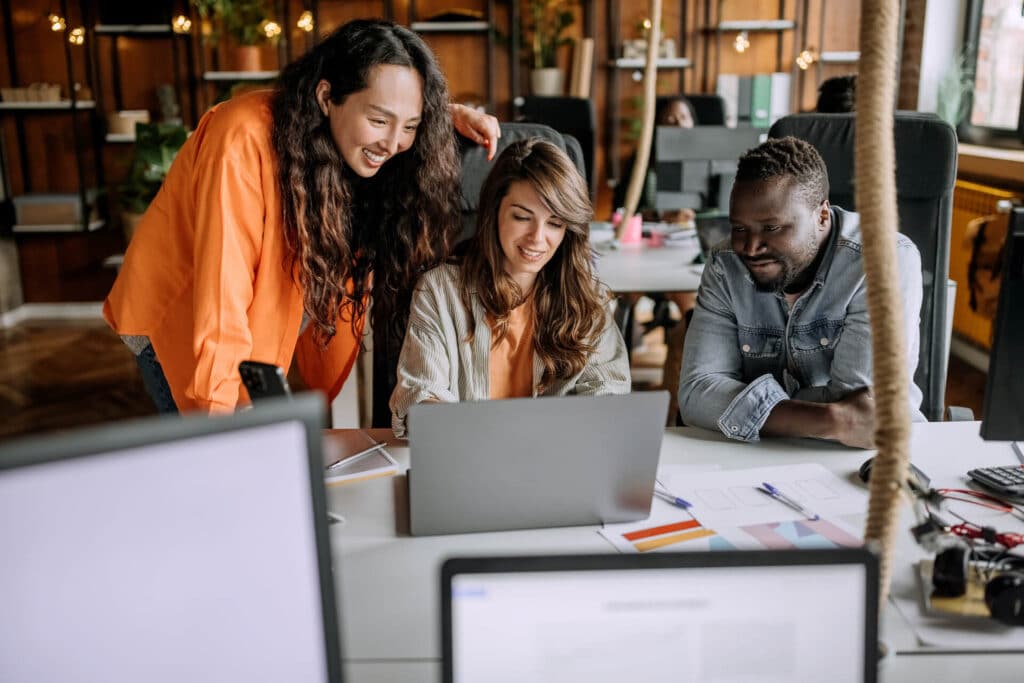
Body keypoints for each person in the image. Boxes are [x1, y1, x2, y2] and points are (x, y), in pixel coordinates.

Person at [103, 19, 500, 414]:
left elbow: (385, 109)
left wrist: (440, 116)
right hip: (182, 317)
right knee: (212, 455)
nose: (394, 143)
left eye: (410, 125)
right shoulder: (239, 139)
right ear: (326, 96)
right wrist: (221, 421)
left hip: (256, 317)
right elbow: (222, 291)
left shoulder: (348, 131)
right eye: (380, 121)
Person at [677, 136, 924, 448]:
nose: (751, 248)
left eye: (772, 228)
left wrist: (741, 406)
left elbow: (863, 406)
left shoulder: (883, 259)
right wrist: (835, 420)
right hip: (760, 455)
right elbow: (696, 393)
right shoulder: (725, 265)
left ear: (821, 216)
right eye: (739, 229)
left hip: (864, 457)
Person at [389, 138, 631, 437]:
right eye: (521, 217)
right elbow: (421, 394)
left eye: (554, 223)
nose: (537, 239)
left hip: (558, 465)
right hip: (467, 461)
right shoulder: (440, 291)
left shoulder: (585, 298)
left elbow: (609, 394)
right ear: (494, 212)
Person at [613, 95, 697, 224]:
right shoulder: (642, 159)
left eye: (684, 117)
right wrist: (659, 215)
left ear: (693, 122)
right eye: (670, 119)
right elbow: (621, 207)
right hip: (651, 232)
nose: (679, 124)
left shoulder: (706, 159)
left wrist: (694, 214)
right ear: (657, 126)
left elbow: (719, 208)